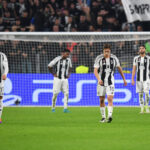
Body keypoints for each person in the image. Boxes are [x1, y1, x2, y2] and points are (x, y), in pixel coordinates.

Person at [94, 44, 127, 123]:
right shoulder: (99, 58)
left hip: (110, 82)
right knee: (101, 100)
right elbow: (95, 70)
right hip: (101, 82)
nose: (106, 53)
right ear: (103, 51)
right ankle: (103, 117)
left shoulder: (114, 58)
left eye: (108, 51)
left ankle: (109, 116)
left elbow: (119, 68)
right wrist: (98, 79)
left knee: (110, 98)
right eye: (105, 51)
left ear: (110, 51)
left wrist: (124, 79)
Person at [132, 45, 150, 113]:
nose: (141, 49)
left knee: (147, 92)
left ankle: (147, 106)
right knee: (140, 94)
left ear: (145, 49)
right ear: (139, 50)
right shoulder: (136, 58)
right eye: (140, 48)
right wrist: (132, 79)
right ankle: (142, 108)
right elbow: (134, 69)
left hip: (147, 79)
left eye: (142, 48)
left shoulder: (148, 58)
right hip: (138, 79)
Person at [0, 52, 9, 123]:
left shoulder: (2, 55)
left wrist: (5, 74)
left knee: (0, 99)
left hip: (0, 82)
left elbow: (6, 67)